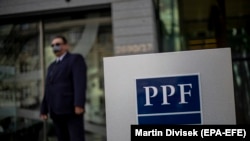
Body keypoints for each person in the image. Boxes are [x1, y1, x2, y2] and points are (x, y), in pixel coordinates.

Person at [40, 35, 87, 141]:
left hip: (71, 109)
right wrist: (44, 109)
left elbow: (79, 82)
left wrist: (79, 104)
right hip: (55, 111)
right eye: (52, 45)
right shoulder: (51, 66)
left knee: (76, 138)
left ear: (66, 46)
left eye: (58, 44)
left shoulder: (75, 59)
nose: (55, 47)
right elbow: (48, 88)